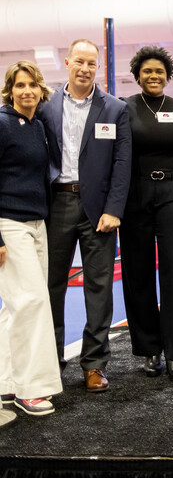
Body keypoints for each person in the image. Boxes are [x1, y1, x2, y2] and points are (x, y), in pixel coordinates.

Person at [37, 39, 131, 393]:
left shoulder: (115, 109)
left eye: (92, 63)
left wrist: (114, 210)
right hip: (55, 205)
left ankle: (94, 364)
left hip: (99, 211)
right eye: (79, 61)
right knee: (50, 288)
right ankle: (50, 362)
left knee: (99, 288)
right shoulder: (45, 107)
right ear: (66, 63)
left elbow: (123, 163)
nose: (85, 68)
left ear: (98, 67)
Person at [120, 46, 173, 382]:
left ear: (168, 76)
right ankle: (149, 350)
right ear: (137, 75)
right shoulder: (124, 108)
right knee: (137, 274)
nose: (154, 76)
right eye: (147, 71)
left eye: (160, 72)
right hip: (134, 197)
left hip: (171, 194)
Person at [0, 61, 62, 416]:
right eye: (19, 86)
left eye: (32, 85)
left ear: (41, 90)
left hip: (36, 223)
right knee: (33, 301)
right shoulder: (2, 123)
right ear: (11, 90)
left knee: (16, 307)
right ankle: (31, 390)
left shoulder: (37, 125)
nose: (26, 91)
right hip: (9, 223)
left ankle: (7, 382)